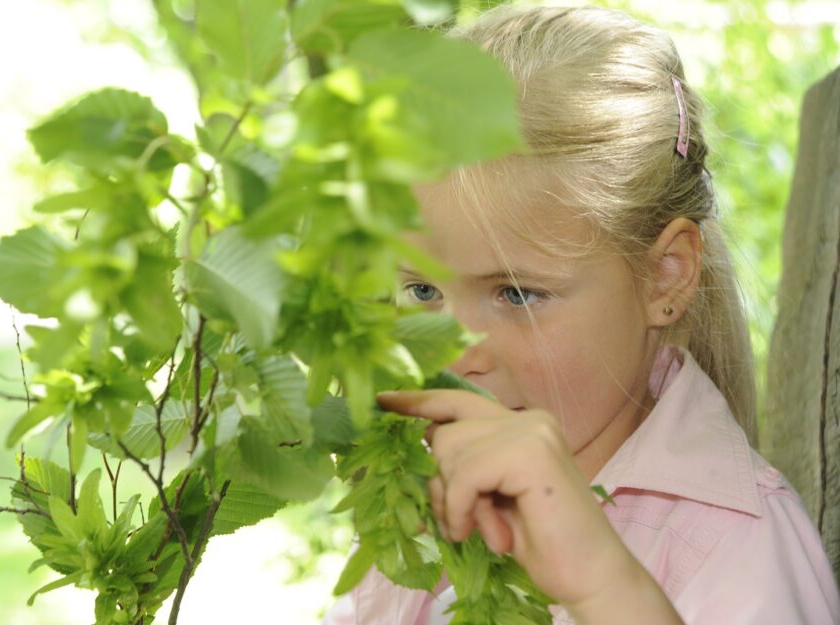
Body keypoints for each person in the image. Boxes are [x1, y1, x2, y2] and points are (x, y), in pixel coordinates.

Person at [321, 4, 840, 625]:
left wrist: (604, 588)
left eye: (516, 295)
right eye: (422, 293)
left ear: (664, 276)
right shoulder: (417, 511)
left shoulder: (735, 552)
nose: (450, 354)